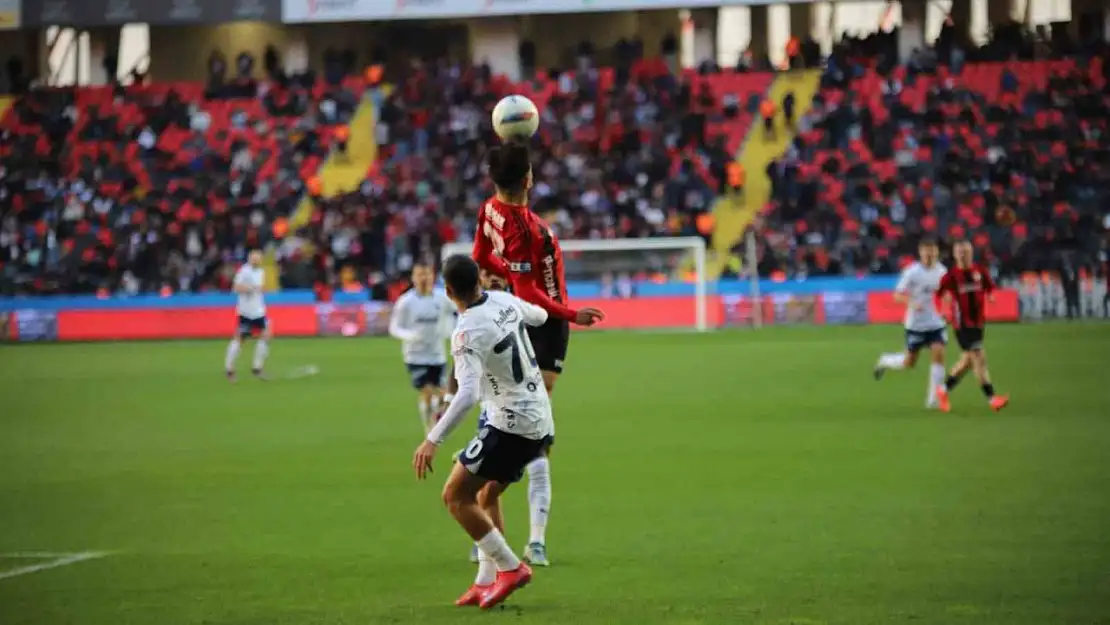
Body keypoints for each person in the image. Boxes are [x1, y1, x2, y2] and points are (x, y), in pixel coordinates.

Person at [468, 142, 605, 566]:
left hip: (518, 318)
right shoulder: (525, 231)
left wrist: (503, 271)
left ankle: (501, 531)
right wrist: (572, 314)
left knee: (512, 417)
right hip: (544, 325)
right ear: (529, 178)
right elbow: (531, 295)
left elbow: (479, 257)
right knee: (533, 432)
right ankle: (502, 528)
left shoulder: (490, 209)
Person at [412, 255, 553, 610]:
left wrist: (433, 438)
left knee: (455, 495)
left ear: (447, 291)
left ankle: (510, 567)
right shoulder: (503, 298)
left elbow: (468, 394)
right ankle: (485, 581)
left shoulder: (466, 332)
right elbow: (541, 316)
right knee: (487, 494)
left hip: (511, 423)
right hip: (539, 417)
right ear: (479, 279)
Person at [934, 241, 1009, 412]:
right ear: (954, 254)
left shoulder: (980, 271)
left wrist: (991, 296)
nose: (962, 255)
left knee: (967, 361)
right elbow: (938, 295)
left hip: (978, 323)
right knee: (979, 358)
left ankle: (943, 390)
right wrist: (943, 311)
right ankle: (992, 399)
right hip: (962, 325)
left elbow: (990, 287)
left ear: (971, 253)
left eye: (966, 252)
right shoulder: (951, 276)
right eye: (959, 252)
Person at [873, 238, 948, 408]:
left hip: (936, 323)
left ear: (937, 252)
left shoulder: (942, 272)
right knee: (909, 362)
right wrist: (912, 303)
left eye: (932, 251)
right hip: (916, 325)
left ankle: (933, 400)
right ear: (921, 253)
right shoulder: (911, 272)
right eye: (926, 251)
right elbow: (897, 295)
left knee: (939, 353)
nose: (929, 255)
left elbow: (946, 293)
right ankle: (885, 360)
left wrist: (948, 302)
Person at [389, 262, 458, 433]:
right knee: (427, 391)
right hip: (415, 355)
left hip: (437, 354)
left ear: (433, 276)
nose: (424, 278)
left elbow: (459, 310)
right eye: (420, 275)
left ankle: (434, 418)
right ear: (413, 278)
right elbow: (394, 328)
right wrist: (410, 336)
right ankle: (429, 427)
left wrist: (453, 328)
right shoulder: (406, 302)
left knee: (443, 395)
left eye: (427, 274)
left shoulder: (442, 298)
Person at [225, 250, 271, 381]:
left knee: (266, 335)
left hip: (259, 311)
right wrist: (251, 288)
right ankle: (229, 369)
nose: (257, 261)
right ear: (250, 259)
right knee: (240, 339)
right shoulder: (244, 272)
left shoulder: (261, 272)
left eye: (259, 259)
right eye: (254, 259)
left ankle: (257, 368)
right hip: (246, 312)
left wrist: (260, 290)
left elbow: (260, 289)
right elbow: (235, 288)